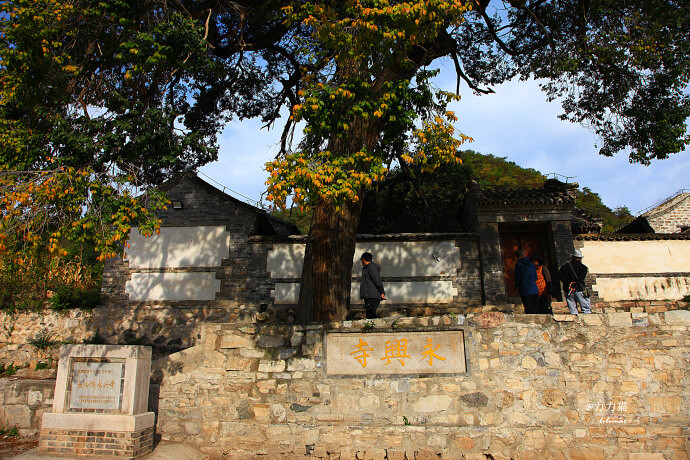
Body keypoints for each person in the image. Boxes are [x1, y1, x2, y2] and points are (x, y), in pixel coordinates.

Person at [558, 249, 591, 314]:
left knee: (572, 307)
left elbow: (560, 277)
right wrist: (575, 283)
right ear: (580, 258)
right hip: (579, 288)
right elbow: (581, 278)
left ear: (572, 257)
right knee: (585, 307)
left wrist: (569, 283)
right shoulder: (583, 267)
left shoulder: (565, 267)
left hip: (568, 289)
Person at [360, 252, 386, 319]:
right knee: (369, 314)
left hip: (372, 295)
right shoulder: (366, 268)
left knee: (371, 315)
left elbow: (377, 280)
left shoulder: (372, 267)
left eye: (361, 260)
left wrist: (382, 292)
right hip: (368, 295)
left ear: (363, 259)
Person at [514, 248, 539, 314]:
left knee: (528, 308)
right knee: (535, 308)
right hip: (534, 289)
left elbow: (518, 278)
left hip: (525, 290)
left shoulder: (518, 265)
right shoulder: (531, 264)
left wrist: (516, 285)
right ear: (524, 255)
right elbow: (536, 277)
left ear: (516, 256)